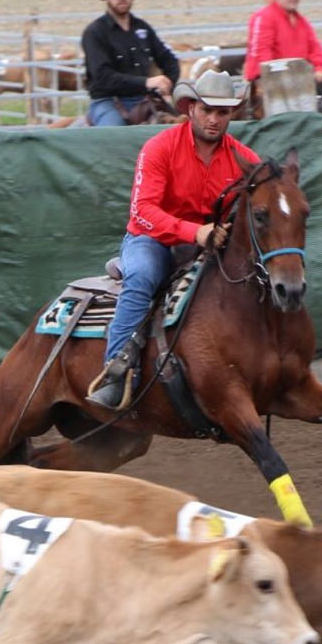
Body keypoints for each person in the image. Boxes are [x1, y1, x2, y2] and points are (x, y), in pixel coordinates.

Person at [87, 69, 261, 411]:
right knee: (141, 278)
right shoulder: (159, 148)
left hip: (211, 244)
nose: (213, 119)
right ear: (190, 108)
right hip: (153, 240)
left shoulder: (245, 160)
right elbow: (142, 211)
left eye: (222, 112)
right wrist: (194, 232)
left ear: (231, 115)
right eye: (206, 110)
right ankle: (116, 371)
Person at [81, 0, 181, 127]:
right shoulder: (95, 32)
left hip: (144, 99)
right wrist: (146, 82)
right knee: (115, 136)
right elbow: (102, 77)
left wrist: (167, 85)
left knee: (183, 129)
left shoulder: (143, 28)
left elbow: (169, 60)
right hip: (108, 102)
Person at [243, 0, 322, 114]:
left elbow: (315, 48)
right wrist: (269, 78)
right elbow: (262, 52)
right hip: (272, 84)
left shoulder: (302, 22)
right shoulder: (264, 17)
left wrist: (320, 68)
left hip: (300, 82)